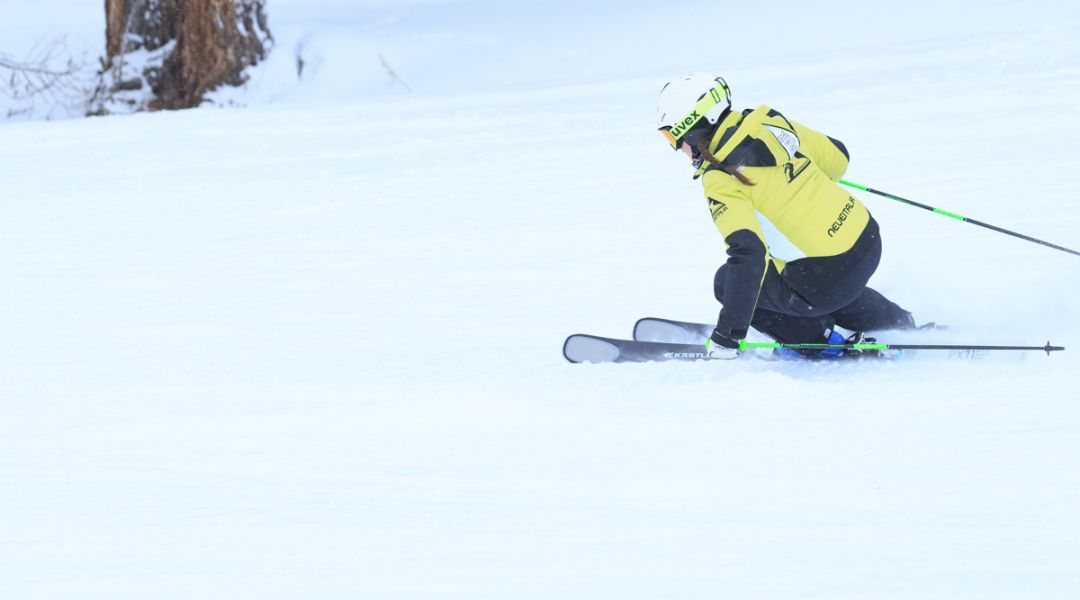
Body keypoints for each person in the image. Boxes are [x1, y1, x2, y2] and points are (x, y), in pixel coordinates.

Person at [655, 73, 916, 359]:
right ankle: (901, 324)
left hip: (829, 279)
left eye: (672, 137)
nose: (676, 147)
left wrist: (728, 336)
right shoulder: (768, 121)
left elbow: (748, 256)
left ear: (693, 127)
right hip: (866, 239)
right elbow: (838, 160)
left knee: (727, 281)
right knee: (812, 273)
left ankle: (825, 341)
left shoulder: (720, 177)